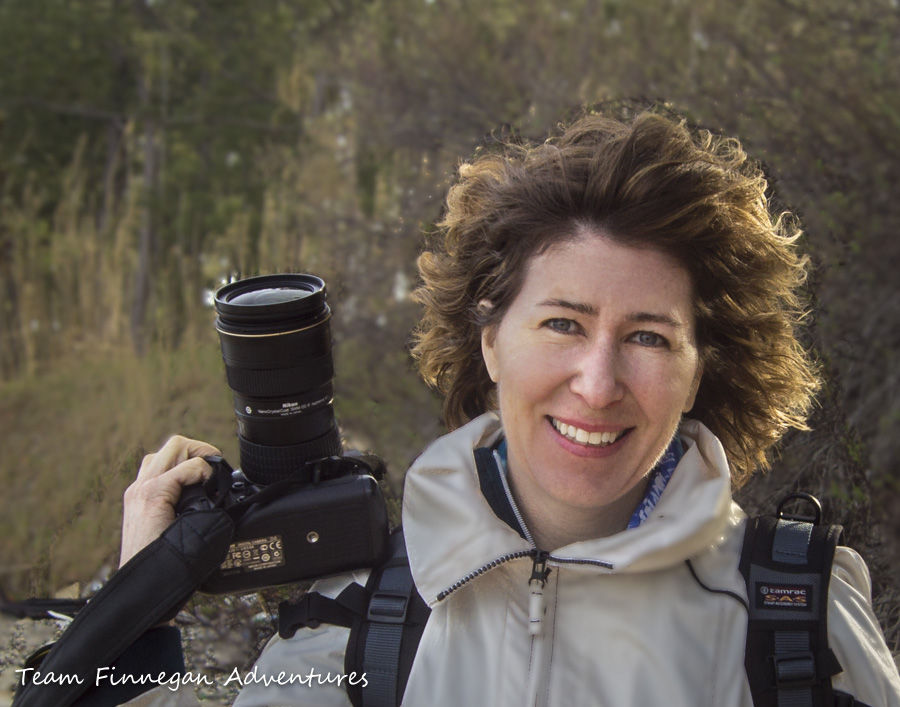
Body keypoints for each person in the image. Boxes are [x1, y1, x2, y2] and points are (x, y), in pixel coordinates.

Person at [118, 107, 900, 706]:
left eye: (650, 338)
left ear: (701, 372)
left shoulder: (797, 621)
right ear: (489, 340)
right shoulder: (363, 619)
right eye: (562, 323)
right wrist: (131, 614)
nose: (597, 383)